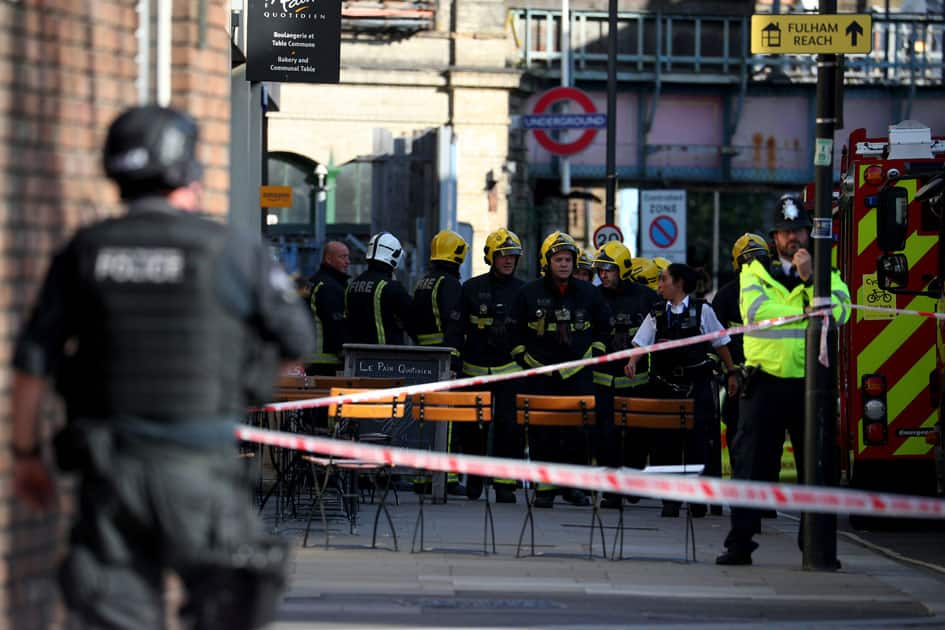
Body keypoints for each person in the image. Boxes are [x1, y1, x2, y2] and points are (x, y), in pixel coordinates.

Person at [10, 105, 316, 630]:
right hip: (200, 467)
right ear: (189, 177)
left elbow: (32, 366)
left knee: (114, 613)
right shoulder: (230, 250)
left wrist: (26, 456)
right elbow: (297, 340)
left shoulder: (86, 251)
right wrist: (244, 372)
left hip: (110, 471)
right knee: (231, 602)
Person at [715, 196, 851, 566]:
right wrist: (808, 309)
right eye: (786, 232)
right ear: (775, 237)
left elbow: (839, 311)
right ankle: (740, 544)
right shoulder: (754, 272)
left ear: (809, 233)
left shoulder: (825, 270)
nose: (793, 238)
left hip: (811, 386)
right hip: (764, 383)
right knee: (751, 467)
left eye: (799, 231)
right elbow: (758, 312)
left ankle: (816, 546)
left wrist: (810, 279)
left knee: (816, 470)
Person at [625, 263, 738, 518]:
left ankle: (699, 501)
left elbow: (721, 343)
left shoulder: (702, 311)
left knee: (699, 442)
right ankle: (671, 500)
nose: (659, 285)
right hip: (665, 388)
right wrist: (632, 362)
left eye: (663, 280)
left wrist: (732, 372)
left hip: (696, 386)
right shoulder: (656, 313)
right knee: (666, 443)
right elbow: (641, 343)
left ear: (678, 283)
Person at [511, 231, 612, 508]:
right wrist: (523, 357)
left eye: (568, 259)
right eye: (558, 259)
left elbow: (604, 328)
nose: (564, 264)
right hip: (541, 373)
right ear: (547, 262)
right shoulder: (528, 294)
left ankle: (574, 488)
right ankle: (544, 489)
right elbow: (514, 331)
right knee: (543, 431)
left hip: (578, 374)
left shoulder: (589, 294)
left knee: (578, 431)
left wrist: (596, 353)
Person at [445, 228, 525, 503]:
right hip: (474, 368)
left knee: (509, 427)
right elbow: (455, 329)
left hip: (510, 370)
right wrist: (454, 360)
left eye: (513, 256)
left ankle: (504, 484)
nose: (508, 260)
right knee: (472, 428)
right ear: (491, 256)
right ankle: (475, 477)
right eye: (503, 255)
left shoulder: (523, 290)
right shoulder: (471, 288)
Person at [591, 241, 660, 509]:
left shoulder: (646, 297)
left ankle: (632, 478)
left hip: (637, 382)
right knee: (605, 435)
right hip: (603, 381)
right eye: (600, 270)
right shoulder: (595, 296)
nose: (603, 275)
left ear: (623, 269)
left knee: (636, 436)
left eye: (609, 269)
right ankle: (612, 491)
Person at [710, 233, 770, 490]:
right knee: (738, 434)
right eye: (749, 262)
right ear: (738, 266)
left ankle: (767, 493)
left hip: (771, 375)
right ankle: (742, 490)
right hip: (738, 378)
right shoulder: (725, 298)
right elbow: (715, 340)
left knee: (770, 437)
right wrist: (728, 373)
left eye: (760, 260)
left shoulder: (777, 291)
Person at [412, 229, 468, 495]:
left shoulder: (424, 281)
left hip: (423, 357)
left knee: (424, 418)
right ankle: (448, 477)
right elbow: (453, 323)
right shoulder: (450, 284)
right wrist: (455, 358)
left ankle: (422, 478)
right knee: (446, 419)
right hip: (445, 359)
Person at [345, 231, 414, 345]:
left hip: (356, 357)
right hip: (384, 357)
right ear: (394, 256)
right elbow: (413, 318)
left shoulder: (352, 285)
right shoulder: (391, 287)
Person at [306, 240, 350, 376]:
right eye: (343, 257)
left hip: (309, 360)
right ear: (329, 259)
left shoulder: (314, 281)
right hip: (326, 364)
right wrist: (346, 355)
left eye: (348, 257)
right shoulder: (329, 287)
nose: (348, 262)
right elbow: (336, 325)